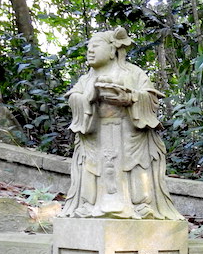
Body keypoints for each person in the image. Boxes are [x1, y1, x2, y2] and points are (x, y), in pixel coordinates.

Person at [61, 27, 183, 220]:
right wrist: (90, 96)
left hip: (129, 134)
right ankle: (88, 205)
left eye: (96, 46)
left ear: (112, 50)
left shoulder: (133, 73)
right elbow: (73, 98)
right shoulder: (86, 79)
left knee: (136, 170)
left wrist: (130, 98)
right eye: (88, 47)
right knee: (92, 172)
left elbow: (151, 98)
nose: (90, 51)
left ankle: (141, 206)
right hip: (96, 135)